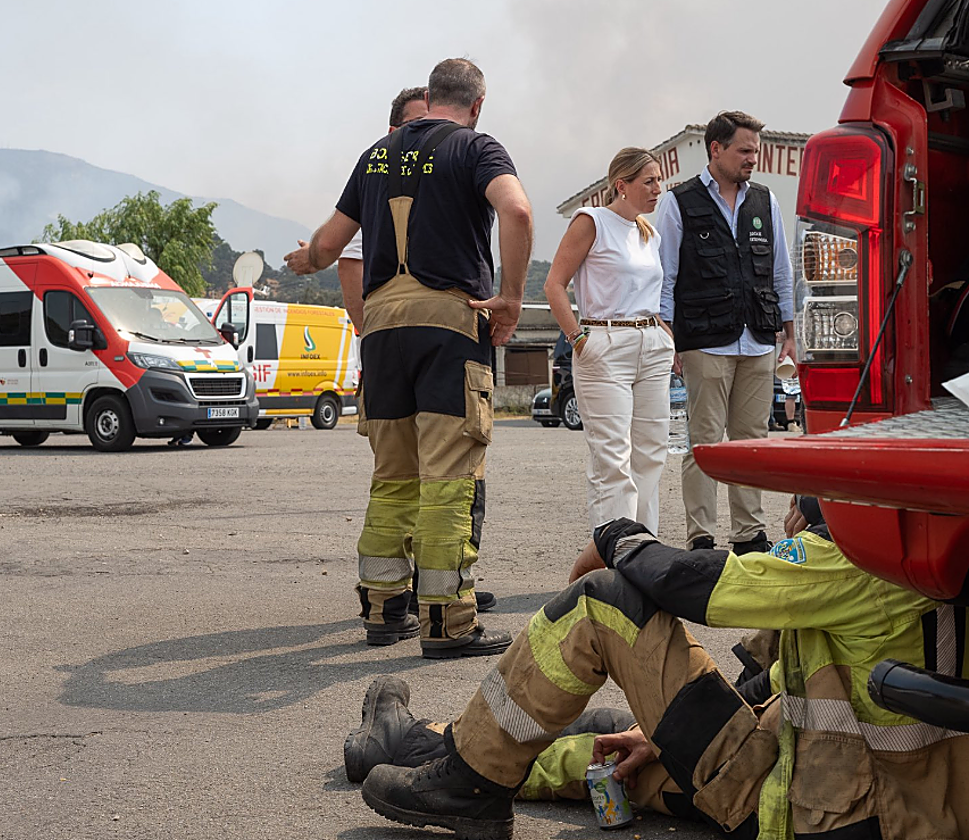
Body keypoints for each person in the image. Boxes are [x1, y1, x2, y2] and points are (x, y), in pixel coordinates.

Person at [355, 507, 969, 840]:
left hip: (821, 812)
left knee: (601, 605)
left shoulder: (858, 565)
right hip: (867, 799)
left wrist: (616, 535)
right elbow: (767, 681)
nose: (790, 525)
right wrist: (659, 735)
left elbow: (681, 578)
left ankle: (464, 778)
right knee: (614, 745)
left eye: (798, 514)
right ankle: (419, 744)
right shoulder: (939, 557)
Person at [284, 58, 533, 659]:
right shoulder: (476, 148)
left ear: (430, 95)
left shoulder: (374, 156)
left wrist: (307, 262)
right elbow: (518, 211)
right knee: (449, 479)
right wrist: (511, 298)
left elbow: (327, 245)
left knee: (392, 477)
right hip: (448, 325)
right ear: (476, 104)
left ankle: (382, 608)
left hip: (382, 332)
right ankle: (448, 622)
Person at [657, 111, 796, 555]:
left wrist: (789, 333)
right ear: (715, 149)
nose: (752, 158)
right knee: (704, 443)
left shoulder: (764, 201)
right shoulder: (679, 202)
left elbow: (781, 272)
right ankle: (701, 537)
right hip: (703, 340)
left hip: (757, 338)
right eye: (744, 150)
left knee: (752, 443)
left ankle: (749, 535)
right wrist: (668, 337)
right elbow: (666, 276)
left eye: (755, 150)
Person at [544, 148, 675, 534]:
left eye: (658, 181)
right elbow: (554, 285)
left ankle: (644, 550)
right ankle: (616, 554)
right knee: (613, 457)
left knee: (651, 454)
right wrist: (579, 339)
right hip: (605, 344)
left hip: (650, 344)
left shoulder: (646, 232)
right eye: (649, 181)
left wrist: (663, 334)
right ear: (622, 185)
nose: (658, 189)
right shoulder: (591, 221)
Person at [336, 86, 430, 335]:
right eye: (417, 125)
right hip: (390, 335)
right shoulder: (374, 186)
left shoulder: (448, 181)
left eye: (434, 125)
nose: (427, 135)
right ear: (392, 133)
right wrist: (369, 330)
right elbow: (348, 261)